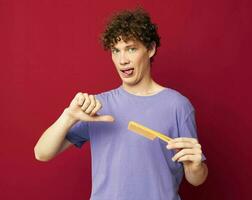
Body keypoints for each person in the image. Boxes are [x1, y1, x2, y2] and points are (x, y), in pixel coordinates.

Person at [34, 8, 208, 200]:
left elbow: (196, 179)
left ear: (150, 49)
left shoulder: (178, 106)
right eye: (116, 51)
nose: (122, 60)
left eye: (131, 49)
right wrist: (68, 116)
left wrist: (195, 166)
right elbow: (42, 153)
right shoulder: (97, 106)